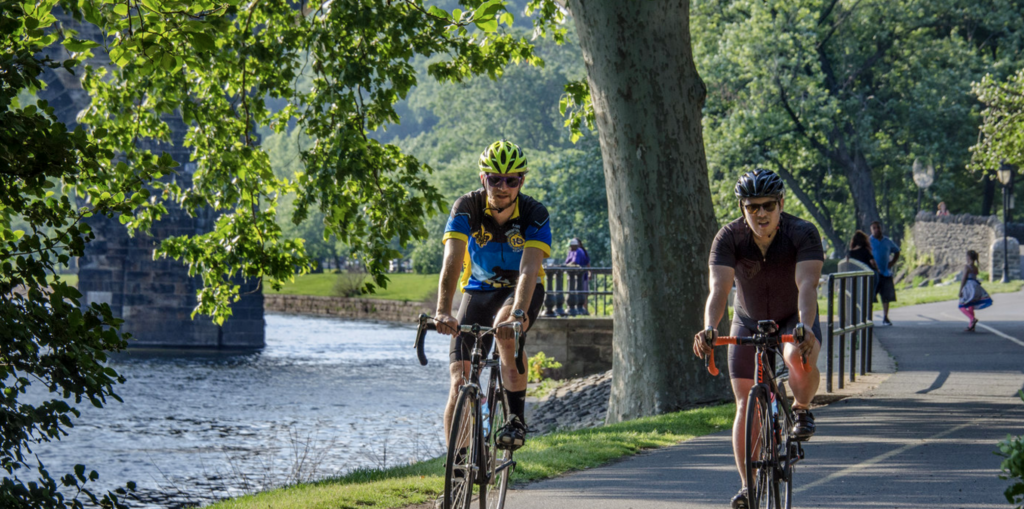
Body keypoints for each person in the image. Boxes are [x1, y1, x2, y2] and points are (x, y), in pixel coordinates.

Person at [692, 169, 823, 509]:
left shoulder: (802, 232)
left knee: (797, 356)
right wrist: (709, 327)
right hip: (747, 320)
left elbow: (806, 285)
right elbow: (718, 289)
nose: (760, 214)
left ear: (781, 203)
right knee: (743, 404)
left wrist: (805, 326)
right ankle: (747, 487)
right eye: (752, 207)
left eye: (768, 205)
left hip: (794, 317)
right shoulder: (728, 237)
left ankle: (802, 408)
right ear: (742, 207)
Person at [434, 140, 551, 461]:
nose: (502, 187)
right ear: (482, 178)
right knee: (459, 380)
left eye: (511, 180)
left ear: (521, 182)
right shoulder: (466, 207)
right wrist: (443, 311)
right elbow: (452, 261)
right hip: (478, 289)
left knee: (504, 330)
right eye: (494, 179)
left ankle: (515, 418)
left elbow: (529, 269)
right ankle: (457, 471)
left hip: (521, 290)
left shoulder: (534, 213)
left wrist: (516, 314)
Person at [869, 221, 900, 326]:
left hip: (885, 273)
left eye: (878, 227)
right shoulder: (868, 241)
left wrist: (892, 263)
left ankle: (885, 317)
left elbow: (897, 251)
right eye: (874, 228)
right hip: (873, 274)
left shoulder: (887, 241)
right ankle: (869, 318)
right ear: (871, 230)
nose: (877, 230)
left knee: (886, 296)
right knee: (870, 296)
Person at [958, 250, 992, 331]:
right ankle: (971, 326)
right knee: (971, 305)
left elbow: (964, 279)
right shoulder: (975, 267)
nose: (966, 258)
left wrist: (960, 290)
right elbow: (975, 276)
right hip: (975, 286)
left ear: (969, 257)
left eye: (966, 256)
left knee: (961, 305)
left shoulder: (967, 267)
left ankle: (972, 318)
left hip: (968, 286)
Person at [564, 238, 591, 314]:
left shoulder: (579, 251)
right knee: (574, 291)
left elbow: (575, 262)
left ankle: (582, 309)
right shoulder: (571, 251)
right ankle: (576, 308)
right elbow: (567, 261)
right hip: (573, 275)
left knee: (582, 291)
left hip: (581, 275)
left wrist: (589, 272)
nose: (571, 248)